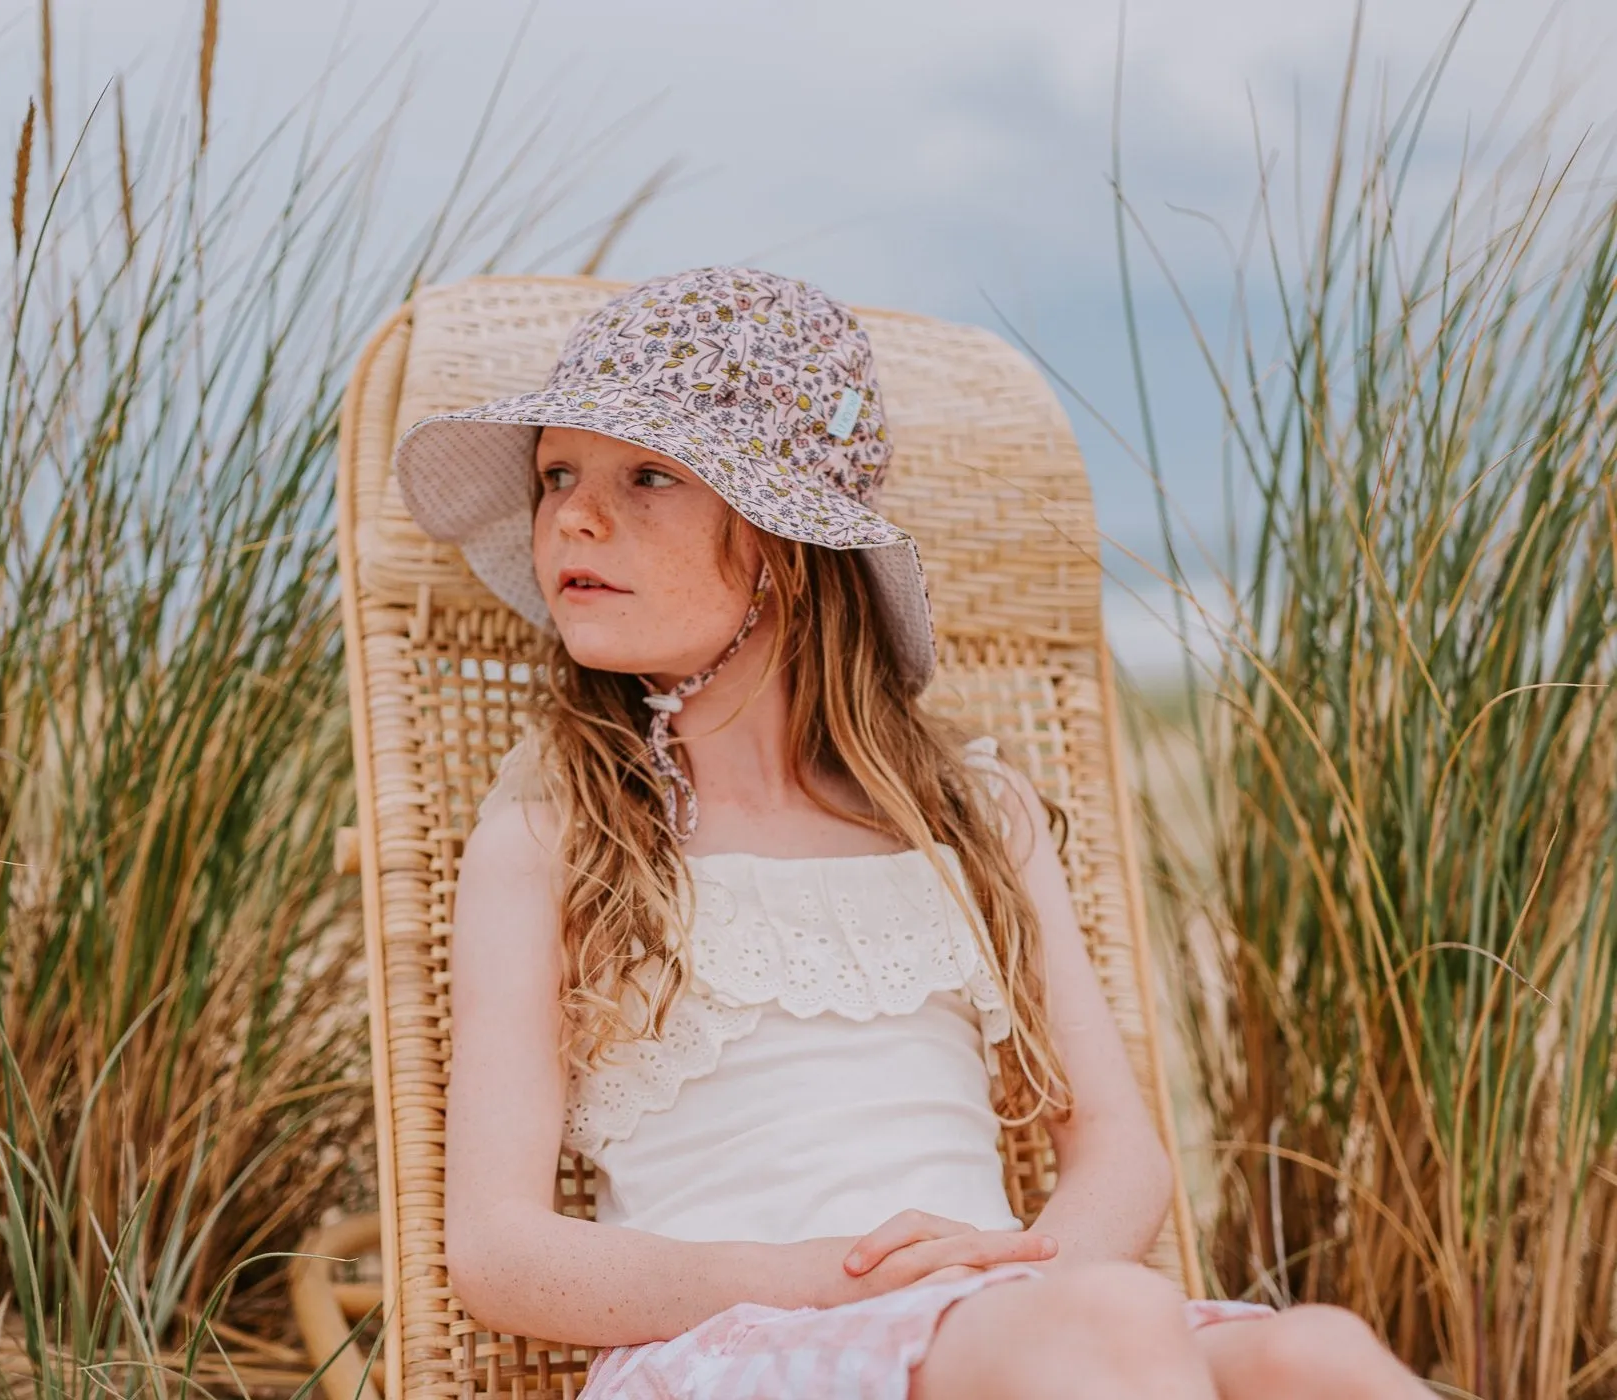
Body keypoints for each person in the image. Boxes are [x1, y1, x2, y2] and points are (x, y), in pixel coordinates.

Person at [391, 266, 1430, 1399]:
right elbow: (498, 1251)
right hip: (744, 1340)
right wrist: (828, 1282)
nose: (573, 515)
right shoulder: (557, 835)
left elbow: (1120, 1151)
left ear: (784, 545)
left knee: (1308, 1348)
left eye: (646, 473)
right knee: (1102, 1326)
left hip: (1006, 1307)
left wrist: (1014, 1267)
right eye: (555, 475)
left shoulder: (968, 818)